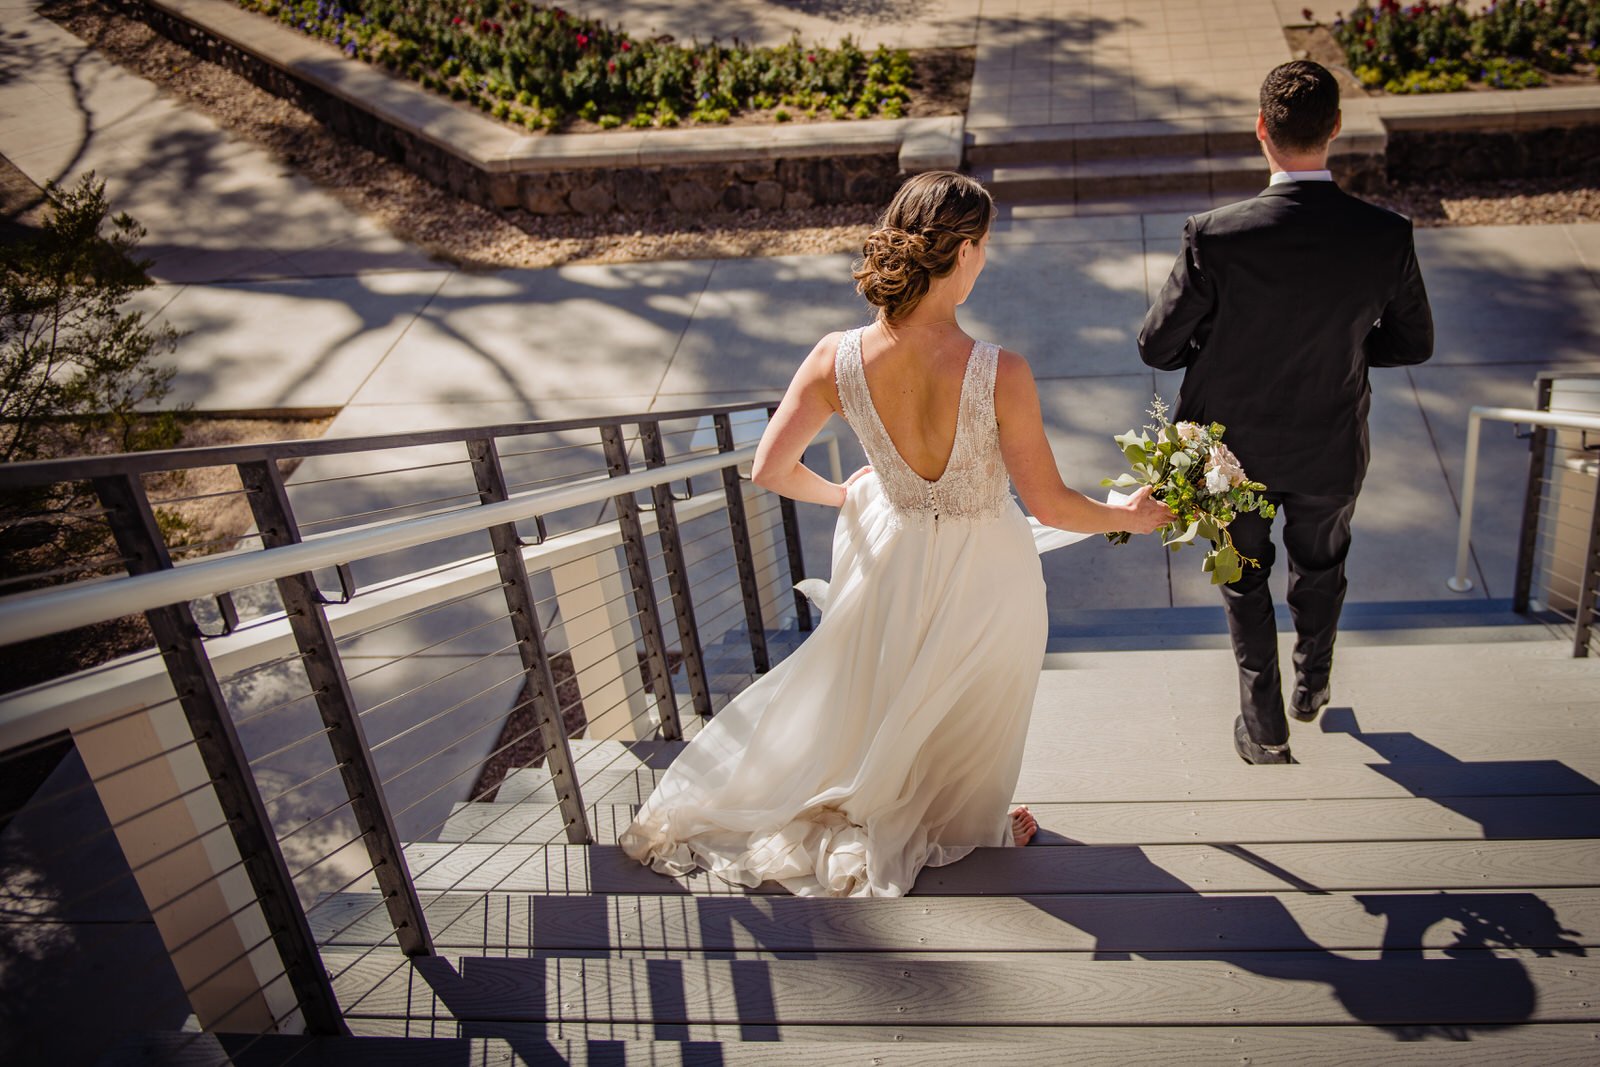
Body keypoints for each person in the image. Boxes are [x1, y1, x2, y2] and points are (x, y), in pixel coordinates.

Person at [618, 171, 1171, 897]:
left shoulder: (834, 359)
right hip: (988, 564)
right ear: (965, 252)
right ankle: (961, 819)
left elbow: (769, 468)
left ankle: (912, 809)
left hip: (891, 550)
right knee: (967, 695)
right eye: (985, 248)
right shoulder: (1000, 372)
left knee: (893, 681)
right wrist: (1126, 515)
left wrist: (840, 491)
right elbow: (1052, 503)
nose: (985, 260)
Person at [1138, 60, 1434, 766]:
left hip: (1229, 451)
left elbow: (1158, 345)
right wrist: (1348, 350)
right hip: (1330, 441)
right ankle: (1313, 683)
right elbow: (1414, 342)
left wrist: (1219, 343)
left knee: (1242, 572)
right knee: (1321, 562)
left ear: (1261, 131)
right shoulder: (1384, 235)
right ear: (1335, 128)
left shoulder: (1215, 236)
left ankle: (1265, 720)